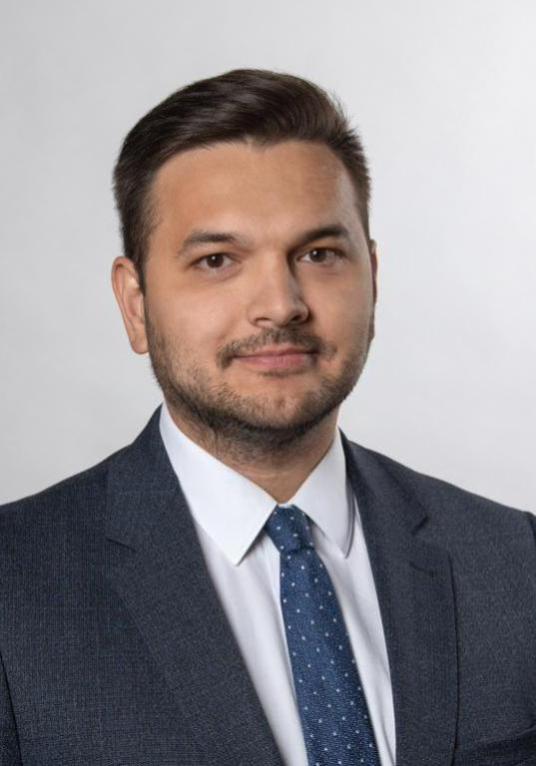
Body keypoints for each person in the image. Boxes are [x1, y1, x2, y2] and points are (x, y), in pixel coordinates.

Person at [0, 68, 535, 766]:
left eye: (318, 254)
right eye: (217, 260)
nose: (281, 304)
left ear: (373, 279)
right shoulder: (16, 588)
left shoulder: (516, 561)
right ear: (135, 305)